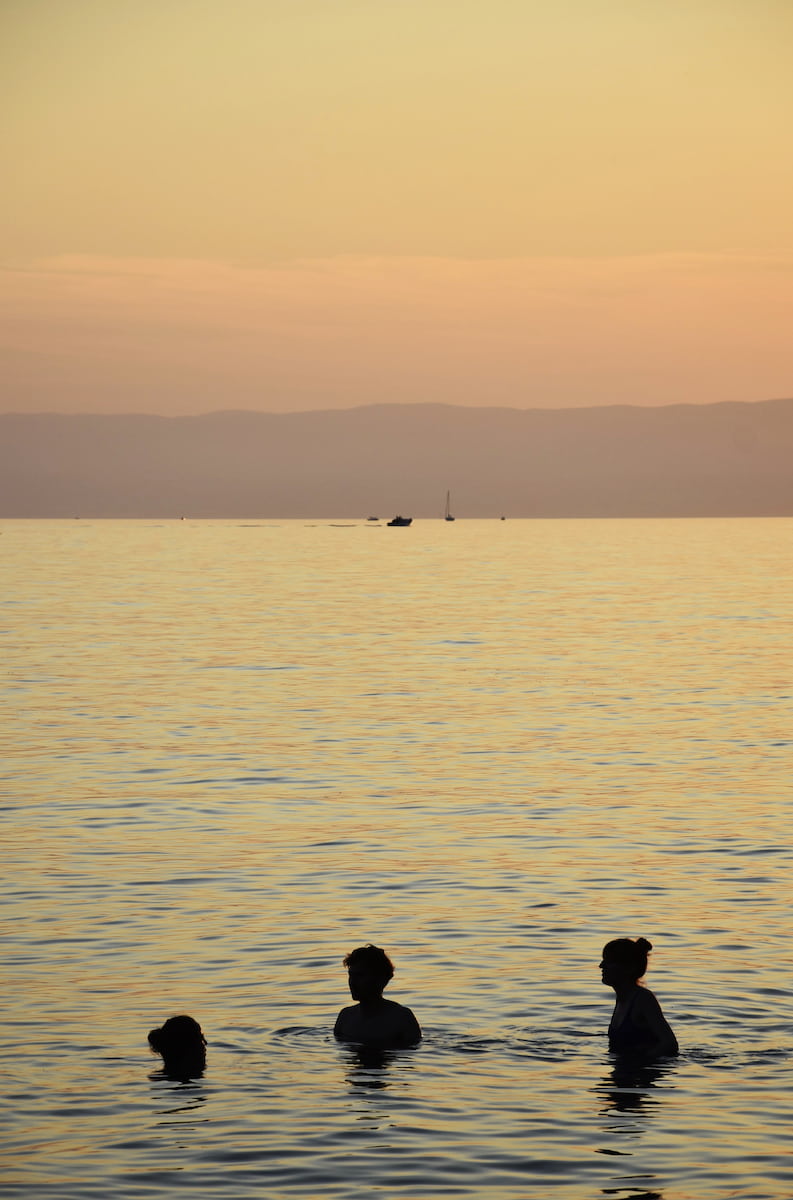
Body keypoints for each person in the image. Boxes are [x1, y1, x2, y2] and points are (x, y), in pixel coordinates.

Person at [600, 937, 678, 1057]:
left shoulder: (643, 999)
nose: (601, 966)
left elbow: (670, 1044)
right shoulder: (622, 998)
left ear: (629, 968)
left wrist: (641, 1062)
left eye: (609, 962)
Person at [334, 944, 422, 1048]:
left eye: (360, 976)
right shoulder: (346, 1017)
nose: (352, 982)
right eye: (351, 975)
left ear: (381, 979)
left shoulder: (401, 1018)